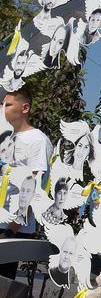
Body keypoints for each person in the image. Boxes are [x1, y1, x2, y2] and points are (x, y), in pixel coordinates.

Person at [0, 87, 54, 281]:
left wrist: (11, 231)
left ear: (25, 108)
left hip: (10, 228)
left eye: (7, 105)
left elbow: (34, 189)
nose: (2, 109)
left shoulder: (37, 140)